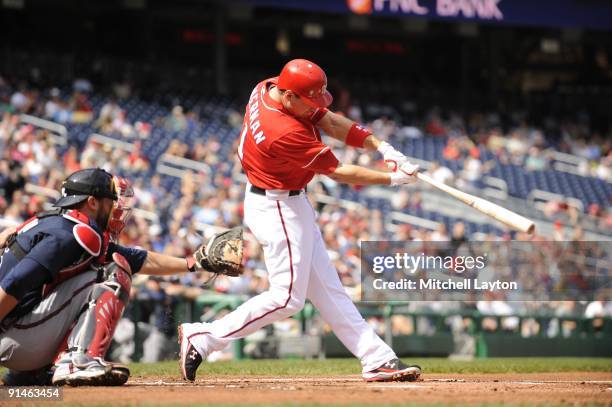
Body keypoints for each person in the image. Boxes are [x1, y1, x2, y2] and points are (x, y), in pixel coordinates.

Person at [179, 59, 421, 382]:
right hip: (276, 206)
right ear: (291, 97)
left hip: (286, 199)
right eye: (310, 102)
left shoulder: (270, 87)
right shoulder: (282, 130)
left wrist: (381, 146)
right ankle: (205, 337)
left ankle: (375, 357)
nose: (316, 108)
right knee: (286, 299)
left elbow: (332, 122)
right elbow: (338, 172)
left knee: (328, 289)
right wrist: (392, 180)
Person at [0, 168, 226, 386]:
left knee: (113, 265)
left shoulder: (57, 223)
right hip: (14, 339)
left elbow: (138, 259)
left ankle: (30, 373)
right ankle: (77, 363)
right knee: (112, 272)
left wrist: (194, 262)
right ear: (92, 202)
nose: (116, 209)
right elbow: (16, 283)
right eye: (111, 201)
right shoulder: (75, 233)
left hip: (15, 335)